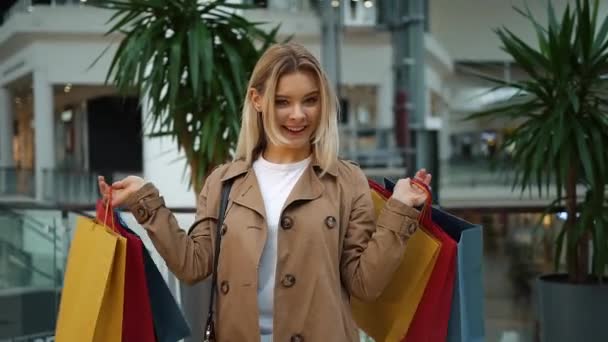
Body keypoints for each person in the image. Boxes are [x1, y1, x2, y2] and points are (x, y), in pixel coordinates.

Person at [98, 42, 432, 342]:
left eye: (310, 101)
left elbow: (365, 284)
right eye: (282, 101)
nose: (298, 115)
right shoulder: (224, 182)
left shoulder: (345, 180)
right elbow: (192, 265)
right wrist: (146, 201)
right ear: (257, 100)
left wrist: (400, 210)